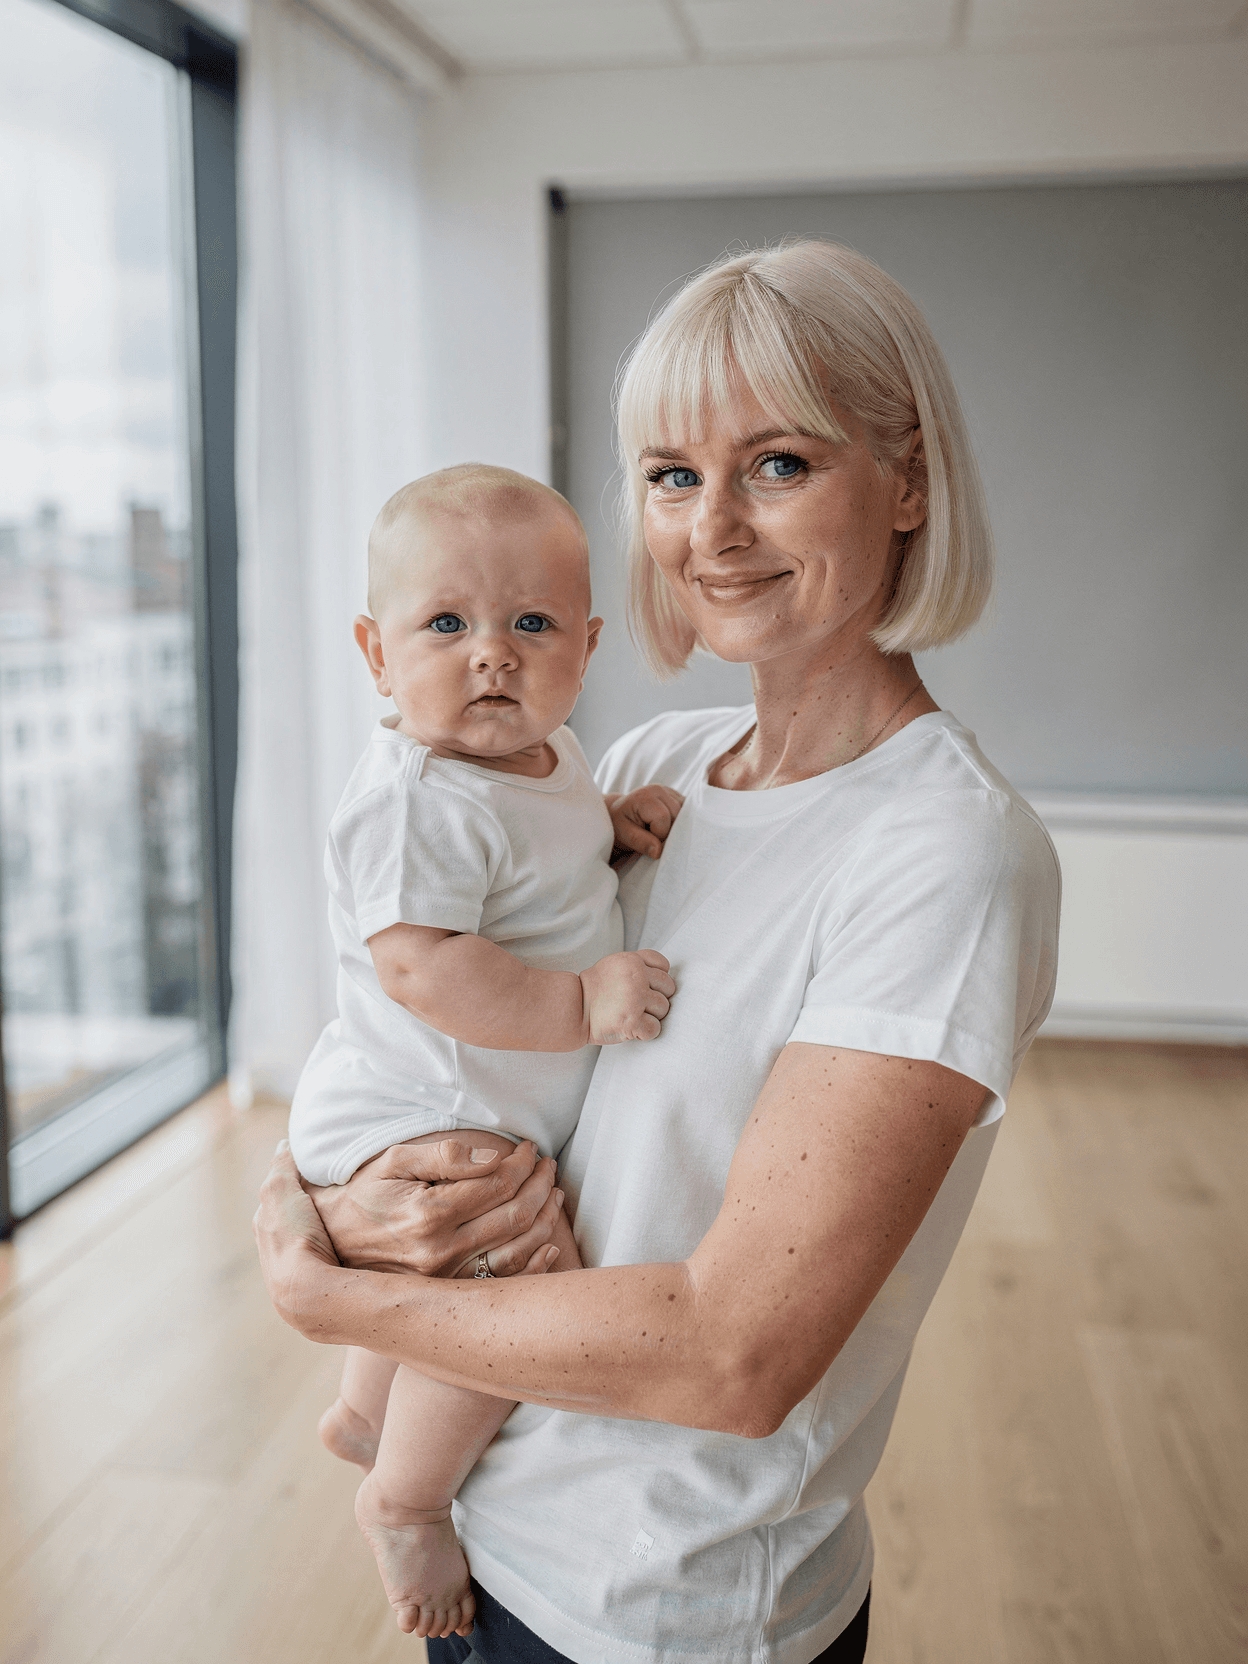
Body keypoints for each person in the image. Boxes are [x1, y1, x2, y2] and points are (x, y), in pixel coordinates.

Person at [255, 239, 1061, 1664]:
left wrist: (339, 1297)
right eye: (674, 475)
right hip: (483, 1529)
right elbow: (431, 1025)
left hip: (662, 1612)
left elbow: (734, 1354)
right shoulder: (646, 767)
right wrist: (348, 1196)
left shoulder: (944, 855)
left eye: (779, 464)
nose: (714, 530)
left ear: (911, 480)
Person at [287, 463, 682, 1640]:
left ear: (587, 646)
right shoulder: (419, 798)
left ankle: (369, 1412)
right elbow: (425, 964)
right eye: (447, 624)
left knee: (454, 1283)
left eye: (533, 624)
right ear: (377, 652)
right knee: (506, 1288)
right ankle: (407, 1496)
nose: (493, 655)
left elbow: (530, 858)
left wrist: (604, 827)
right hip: (414, 1110)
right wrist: (580, 1002)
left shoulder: (537, 758)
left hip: (456, 1101)